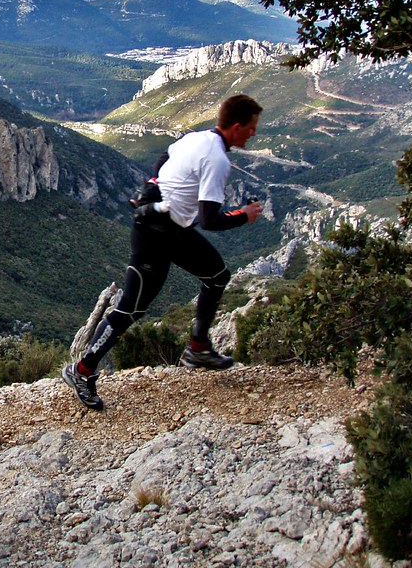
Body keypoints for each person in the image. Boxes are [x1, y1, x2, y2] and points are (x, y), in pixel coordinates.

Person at [62, 93, 265, 410]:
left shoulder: (196, 138)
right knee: (130, 309)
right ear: (237, 126)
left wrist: (151, 184)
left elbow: (163, 158)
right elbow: (209, 220)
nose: (253, 133)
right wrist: (244, 215)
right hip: (154, 236)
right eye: (251, 127)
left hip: (172, 230)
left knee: (217, 276)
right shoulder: (217, 160)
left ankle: (198, 347)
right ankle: (82, 370)